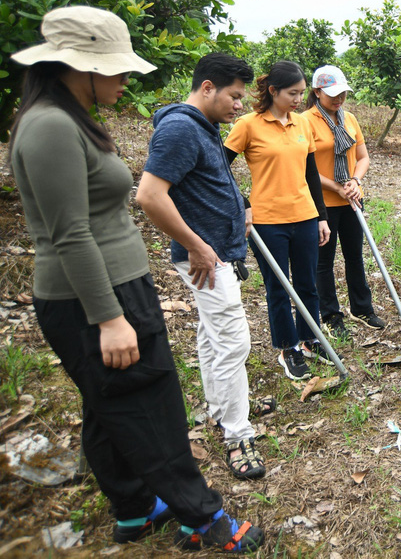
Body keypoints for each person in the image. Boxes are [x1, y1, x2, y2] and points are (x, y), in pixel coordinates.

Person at [8, 6, 264, 552]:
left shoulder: (71, 118)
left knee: (108, 408)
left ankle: (135, 508)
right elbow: (70, 233)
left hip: (113, 283)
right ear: (79, 66)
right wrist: (109, 318)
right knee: (152, 408)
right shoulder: (50, 126)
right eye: (117, 69)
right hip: (93, 294)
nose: (126, 80)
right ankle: (203, 518)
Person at [137, 53, 271, 482]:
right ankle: (237, 433)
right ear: (208, 87)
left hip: (218, 251)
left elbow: (210, 181)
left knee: (214, 339)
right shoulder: (179, 129)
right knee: (233, 341)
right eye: (234, 96)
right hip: (205, 258)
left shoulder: (202, 128)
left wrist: (241, 206)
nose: (240, 105)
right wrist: (195, 245)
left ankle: (220, 409)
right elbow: (150, 195)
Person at [224, 61, 330, 381]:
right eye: (293, 93)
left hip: (305, 216)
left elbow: (311, 174)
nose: (299, 99)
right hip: (268, 222)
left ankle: (311, 338)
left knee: (307, 284)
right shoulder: (247, 125)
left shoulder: (302, 124)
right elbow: (218, 166)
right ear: (273, 91)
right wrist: (241, 202)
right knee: (279, 288)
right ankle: (288, 348)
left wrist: (322, 217)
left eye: (301, 93)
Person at [301, 65, 386, 335]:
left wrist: (355, 182)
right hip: (322, 202)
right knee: (323, 262)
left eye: (343, 94)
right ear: (317, 92)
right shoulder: (305, 121)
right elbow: (305, 167)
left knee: (355, 256)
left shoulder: (349, 119)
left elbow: (363, 157)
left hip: (351, 198)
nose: (339, 99)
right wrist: (336, 187)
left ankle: (361, 308)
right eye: (332, 95)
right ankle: (331, 316)